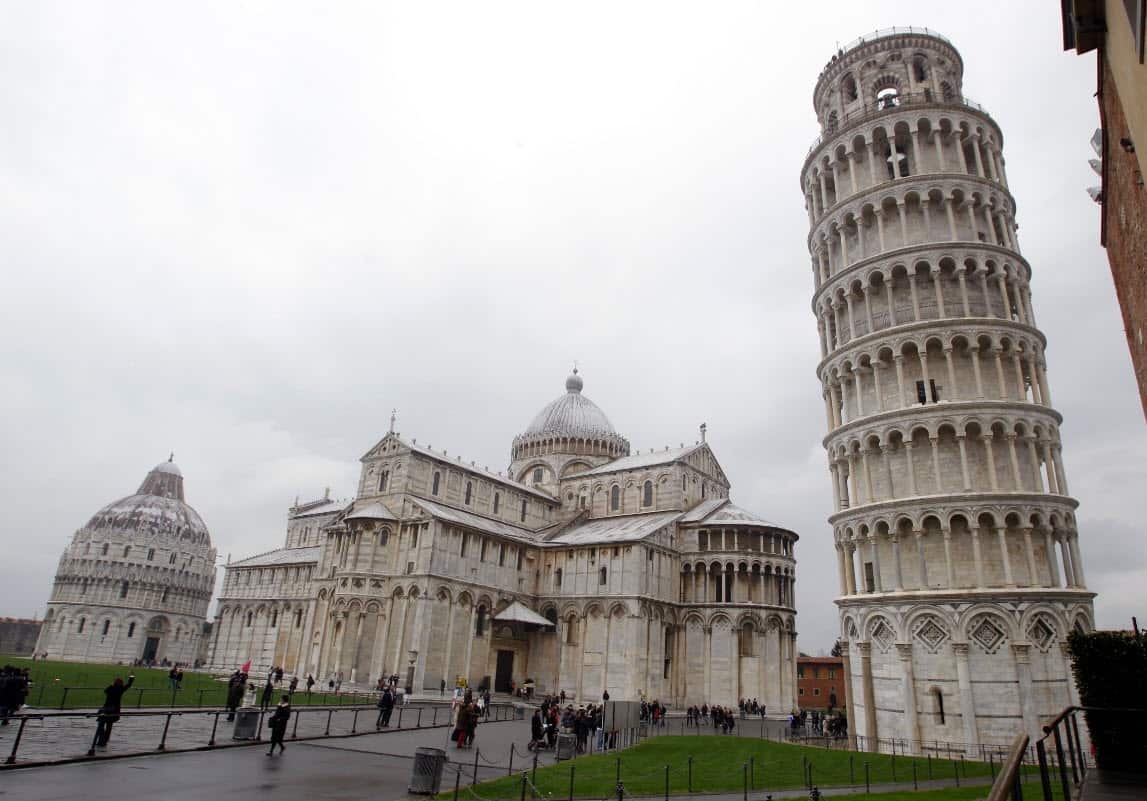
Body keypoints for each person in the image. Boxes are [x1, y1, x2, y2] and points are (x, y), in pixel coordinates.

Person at [95, 673, 135, 748]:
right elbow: (129, 685)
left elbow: (105, 691)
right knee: (109, 726)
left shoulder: (110, 688)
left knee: (101, 724)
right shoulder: (121, 689)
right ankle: (105, 740)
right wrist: (131, 677)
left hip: (106, 708)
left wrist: (112, 685)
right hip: (114, 709)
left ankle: (101, 740)